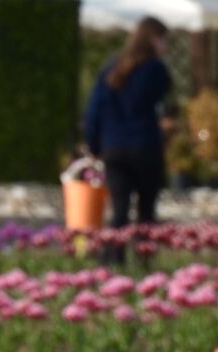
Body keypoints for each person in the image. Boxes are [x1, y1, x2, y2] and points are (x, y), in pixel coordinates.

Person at [82, 18, 174, 236]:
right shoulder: (154, 69)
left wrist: (94, 145)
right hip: (144, 146)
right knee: (146, 211)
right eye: (163, 40)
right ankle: (144, 259)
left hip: (114, 147)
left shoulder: (112, 68)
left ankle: (113, 260)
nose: (166, 46)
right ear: (153, 40)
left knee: (119, 210)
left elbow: (95, 110)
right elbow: (165, 93)